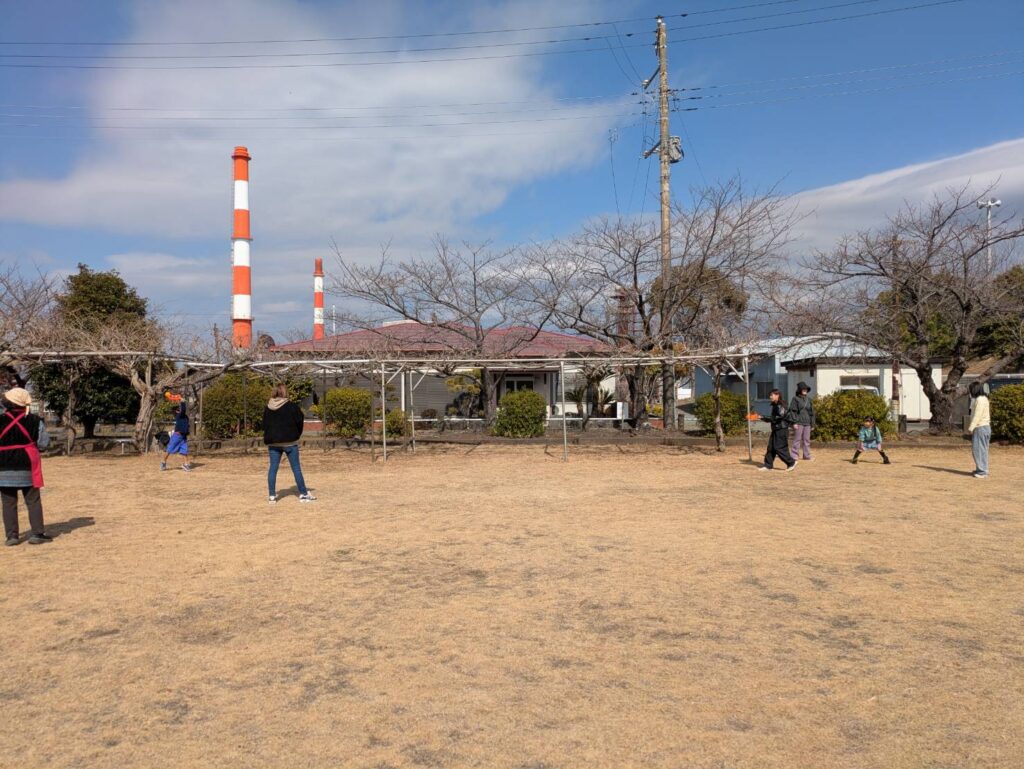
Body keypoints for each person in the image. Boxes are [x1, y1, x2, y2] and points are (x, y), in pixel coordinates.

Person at [0, 388, 51, 545]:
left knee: (8, 503)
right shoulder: (35, 420)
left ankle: (12, 536)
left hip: (3, 466)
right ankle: (37, 534)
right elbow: (44, 443)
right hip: (28, 465)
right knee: (33, 500)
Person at [263, 384, 316, 503]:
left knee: (273, 468)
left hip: (273, 443)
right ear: (285, 392)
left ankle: (272, 495)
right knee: (296, 468)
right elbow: (299, 420)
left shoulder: (268, 407)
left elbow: (264, 424)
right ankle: (303, 493)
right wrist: (296, 434)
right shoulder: (292, 407)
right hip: (290, 442)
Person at [758, 389, 796, 472]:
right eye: (770, 395)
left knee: (779, 448)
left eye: (772, 395)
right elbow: (774, 418)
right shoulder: (775, 405)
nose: (770, 397)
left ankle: (791, 462)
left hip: (781, 429)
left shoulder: (781, 404)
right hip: (776, 429)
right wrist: (762, 417)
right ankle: (768, 465)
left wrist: (763, 417)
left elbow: (779, 417)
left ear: (777, 395)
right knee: (771, 447)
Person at [161, 402, 193, 472]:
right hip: (177, 436)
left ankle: (185, 464)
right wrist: (182, 402)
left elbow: (186, 424)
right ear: (177, 411)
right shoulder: (179, 416)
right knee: (169, 450)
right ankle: (163, 462)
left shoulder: (185, 416)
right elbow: (184, 409)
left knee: (184, 451)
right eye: (179, 409)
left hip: (183, 437)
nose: (180, 409)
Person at [968, 381, 990, 479]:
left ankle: (982, 471)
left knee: (978, 450)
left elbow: (977, 415)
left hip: (980, 427)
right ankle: (981, 469)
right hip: (985, 427)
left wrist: (971, 427)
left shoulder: (980, 400)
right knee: (983, 450)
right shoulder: (983, 398)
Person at [789, 381, 815, 462]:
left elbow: (812, 413)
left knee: (807, 440)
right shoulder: (795, 399)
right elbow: (793, 411)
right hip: (799, 422)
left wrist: (812, 424)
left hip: (807, 422)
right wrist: (794, 422)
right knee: (797, 439)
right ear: (799, 390)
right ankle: (794, 455)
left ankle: (806, 456)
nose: (805, 390)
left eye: (806, 389)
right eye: (803, 389)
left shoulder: (809, 400)